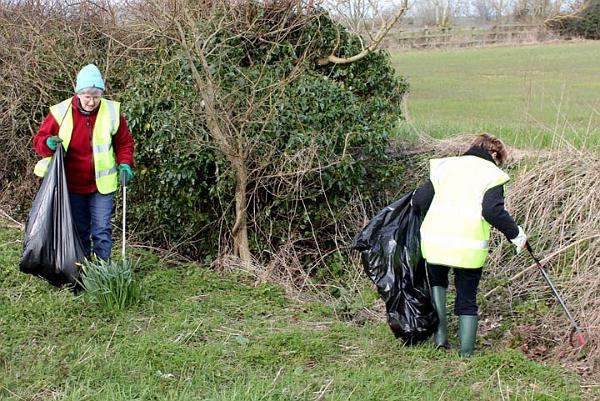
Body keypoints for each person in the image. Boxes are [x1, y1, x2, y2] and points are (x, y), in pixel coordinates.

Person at [412, 133, 527, 357]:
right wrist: (516, 234)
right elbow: (493, 211)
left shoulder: (445, 167)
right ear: (494, 153)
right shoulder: (492, 174)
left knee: (438, 284)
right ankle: (465, 353)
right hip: (469, 247)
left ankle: (440, 339)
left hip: (435, 243)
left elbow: (419, 202)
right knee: (466, 296)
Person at [33, 63, 134, 261]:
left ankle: (102, 273)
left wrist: (125, 164)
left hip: (102, 186)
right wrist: (48, 143)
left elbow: (125, 143)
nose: (91, 102)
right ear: (78, 93)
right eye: (87, 96)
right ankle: (82, 270)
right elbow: (39, 141)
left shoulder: (112, 112)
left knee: (102, 230)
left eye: (96, 96)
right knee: (79, 231)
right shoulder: (60, 111)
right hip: (72, 185)